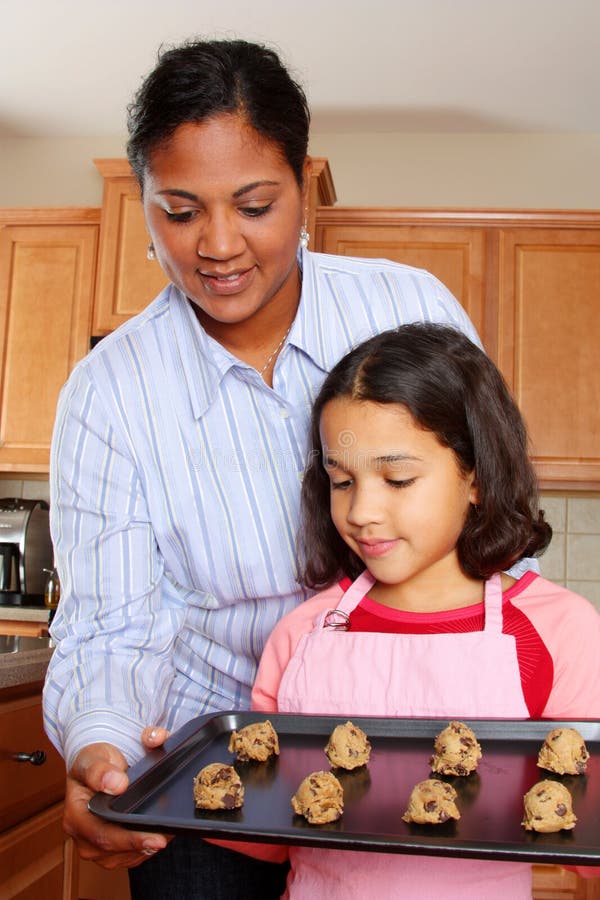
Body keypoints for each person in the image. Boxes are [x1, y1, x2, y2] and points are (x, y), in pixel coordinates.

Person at [43, 37, 499, 900]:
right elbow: (114, 630)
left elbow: (488, 522)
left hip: (401, 754)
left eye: (254, 204)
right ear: (142, 202)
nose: (217, 245)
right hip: (208, 769)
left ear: (304, 185)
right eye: (178, 212)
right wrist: (99, 748)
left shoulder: (408, 306)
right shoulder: (108, 396)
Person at [251, 323, 600, 899]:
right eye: (341, 482)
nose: (362, 511)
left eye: (398, 478)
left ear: (478, 478)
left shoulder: (560, 633)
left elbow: (587, 840)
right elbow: (261, 827)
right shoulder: (303, 633)